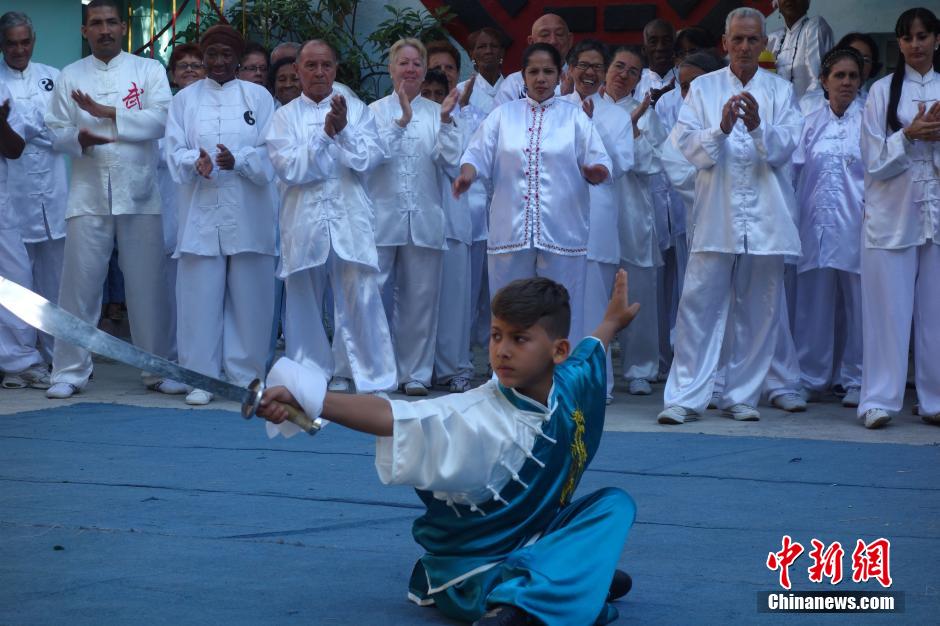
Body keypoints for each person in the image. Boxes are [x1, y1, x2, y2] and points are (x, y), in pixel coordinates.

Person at [258, 272, 641, 626]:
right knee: (558, 563)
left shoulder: (571, 383)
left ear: (557, 352)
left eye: (519, 339)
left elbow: (590, 352)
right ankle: (540, 593)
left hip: (532, 539)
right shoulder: (475, 414)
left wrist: (611, 322)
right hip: (474, 572)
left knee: (614, 503)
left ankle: (559, 576)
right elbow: (393, 416)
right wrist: (313, 400)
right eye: (495, 335)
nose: (502, 351)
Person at [659, 7, 803, 424]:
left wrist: (758, 128)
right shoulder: (702, 89)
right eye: (737, 39)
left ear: (763, 44)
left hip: (767, 214)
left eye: (752, 39)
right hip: (715, 213)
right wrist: (720, 129)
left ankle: (741, 393)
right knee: (698, 303)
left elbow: (785, 148)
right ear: (724, 43)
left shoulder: (780, 91)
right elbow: (685, 145)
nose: (743, 47)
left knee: (761, 306)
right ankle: (685, 395)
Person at [44, 0, 178, 399]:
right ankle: (69, 370)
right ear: (84, 31)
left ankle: (157, 369)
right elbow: (54, 130)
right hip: (87, 192)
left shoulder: (148, 70)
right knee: (78, 287)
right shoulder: (70, 75)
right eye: (96, 24)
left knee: (148, 286)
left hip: (139, 192)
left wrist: (108, 112)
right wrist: (76, 139)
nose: (104, 30)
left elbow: (161, 120)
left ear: (123, 28)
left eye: (111, 23)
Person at [455, 43, 611, 346]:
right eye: (534, 71)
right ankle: (508, 381)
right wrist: (467, 174)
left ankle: (562, 381)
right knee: (508, 307)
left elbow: (600, 161)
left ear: (559, 75)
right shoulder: (503, 116)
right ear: (523, 76)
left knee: (563, 310)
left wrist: (595, 172)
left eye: (548, 71)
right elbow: (476, 155)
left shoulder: (575, 117)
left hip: (563, 230)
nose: (541, 78)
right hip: (509, 230)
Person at [265, 39, 396, 396]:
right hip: (303, 222)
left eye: (326, 65)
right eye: (311, 66)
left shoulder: (356, 108)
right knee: (303, 301)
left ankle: (369, 376)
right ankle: (309, 376)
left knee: (360, 295)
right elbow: (292, 169)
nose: (319, 72)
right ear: (298, 71)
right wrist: (326, 134)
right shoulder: (282, 117)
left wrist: (344, 129)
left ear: (335, 69)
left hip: (349, 218)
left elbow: (370, 159)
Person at [164, 24, 278, 405]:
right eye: (211, 54)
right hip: (201, 212)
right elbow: (173, 149)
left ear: (238, 58)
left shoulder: (259, 97)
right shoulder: (185, 100)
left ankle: (246, 378)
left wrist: (240, 161)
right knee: (198, 299)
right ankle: (202, 378)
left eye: (226, 55)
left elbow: (270, 153)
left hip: (248, 213)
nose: (217, 62)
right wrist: (193, 161)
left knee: (251, 300)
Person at [858, 7, 940, 429]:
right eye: (908, 38)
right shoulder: (879, 93)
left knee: (936, 311)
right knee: (887, 311)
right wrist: (909, 135)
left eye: (923, 36)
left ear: (937, 40)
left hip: (936, 215)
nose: (917, 44)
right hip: (893, 215)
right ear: (899, 44)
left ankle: (934, 399)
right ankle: (878, 400)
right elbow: (872, 159)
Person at [366, 38, 461, 396]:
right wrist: (401, 122)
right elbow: (369, 159)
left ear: (424, 71)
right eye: (403, 63)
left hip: (424, 218)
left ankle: (416, 373)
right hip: (381, 218)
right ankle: (376, 371)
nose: (410, 69)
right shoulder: (373, 112)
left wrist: (449, 122)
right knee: (372, 294)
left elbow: (452, 163)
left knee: (421, 299)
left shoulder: (438, 113)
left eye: (416, 64)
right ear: (391, 68)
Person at [791, 48, 866, 410]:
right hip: (814, 223)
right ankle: (810, 377)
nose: (847, 83)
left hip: (859, 225)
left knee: (860, 305)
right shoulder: (807, 120)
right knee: (812, 303)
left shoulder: (869, 120)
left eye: (853, 76)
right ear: (824, 80)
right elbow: (791, 171)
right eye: (840, 76)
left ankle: (857, 378)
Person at [564, 39, 635, 402]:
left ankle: (595, 385)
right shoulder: (556, 109)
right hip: (559, 219)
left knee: (593, 305)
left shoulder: (618, 117)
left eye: (597, 66)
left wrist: (593, 127)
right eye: (583, 65)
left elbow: (621, 165)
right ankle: (561, 380)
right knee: (563, 304)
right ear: (571, 69)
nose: (589, 72)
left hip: (599, 219)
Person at [0, 11, 68, 368]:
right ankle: (22, 360)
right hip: (13, 196)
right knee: (17, 283)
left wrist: (30, 128)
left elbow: (64, 129)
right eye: (11, 43)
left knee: (56, 284)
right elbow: (24, 139)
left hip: (54, 193)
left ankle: (60, 358)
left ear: (34, 41)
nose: (18, 49)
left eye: (24, 42)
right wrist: (40, 131)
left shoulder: (53, 78)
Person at [602, 46, 666, 395]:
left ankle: (641, 367)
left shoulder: (647, 115)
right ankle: (596, 368)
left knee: (638, 287)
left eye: (632, 71)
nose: (623, 75)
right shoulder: (584, 108)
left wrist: (635, 127)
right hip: (594, 213)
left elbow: (652, 165)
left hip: (633, 212)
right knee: (595, 291)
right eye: (618, 66)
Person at [0, 80, 46, 388]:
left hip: (2, 204)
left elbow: (15, 149)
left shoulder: (2, 89)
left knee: (16, 279)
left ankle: (20, 361)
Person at [493, 13, 572, 106]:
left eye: (559, 34)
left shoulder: (582, 80)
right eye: (545, 35)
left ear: (570, 40)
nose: (553, 41)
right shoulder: (514, 84)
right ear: (531, 42)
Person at [799, 33, 881, 114]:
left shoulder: (875, 106)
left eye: (866, 59)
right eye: (851, 55)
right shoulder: (808, 106)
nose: (858, 63)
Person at [767, 0, 833, 100]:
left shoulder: (815, 26)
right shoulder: (773, 39)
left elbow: (817, 81)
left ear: (808, 2)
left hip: (811, 110)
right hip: (779, 111)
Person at [458, 27, 505, 113]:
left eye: (493, 46)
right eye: (482, 47)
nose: (488, 51)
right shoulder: (461, 90)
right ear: (471, 54)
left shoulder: (515, 87)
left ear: (502, 52)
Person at [635, 19, 677, 106]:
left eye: (667, 41)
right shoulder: (634, 80)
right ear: (644, 49)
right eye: (653, 42)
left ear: (675, 46)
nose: (660, 48)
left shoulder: (687, 79)